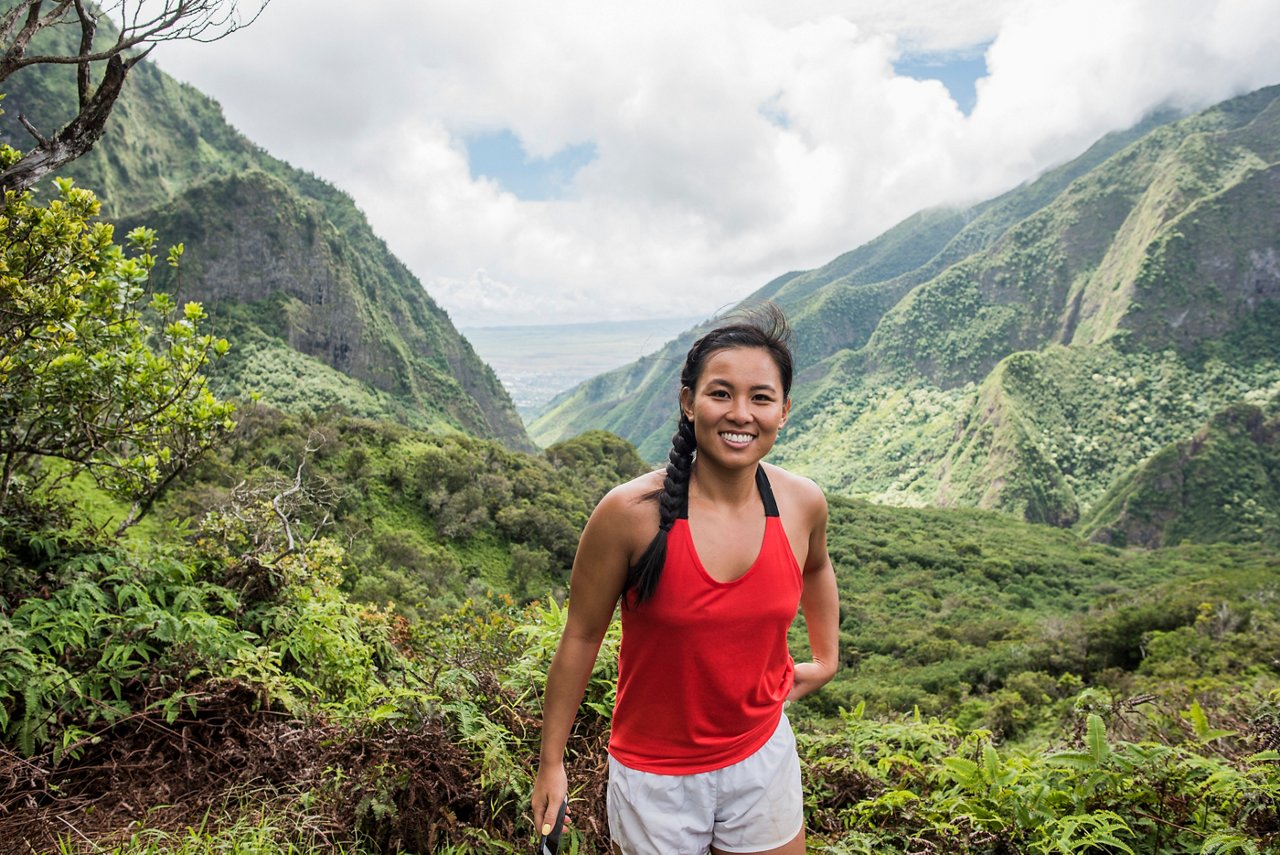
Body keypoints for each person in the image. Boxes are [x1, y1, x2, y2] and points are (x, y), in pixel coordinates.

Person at [531, 304, 840, 855]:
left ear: (785, 410)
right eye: (721, 393)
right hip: (657, 780)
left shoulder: (800, 503)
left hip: (762, 755)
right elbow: (580, 637)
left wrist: (826, 658)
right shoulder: (628, 514)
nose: (741, 413)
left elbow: (816, 567)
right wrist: (550, 763)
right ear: (687, 401)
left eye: (761, 397)